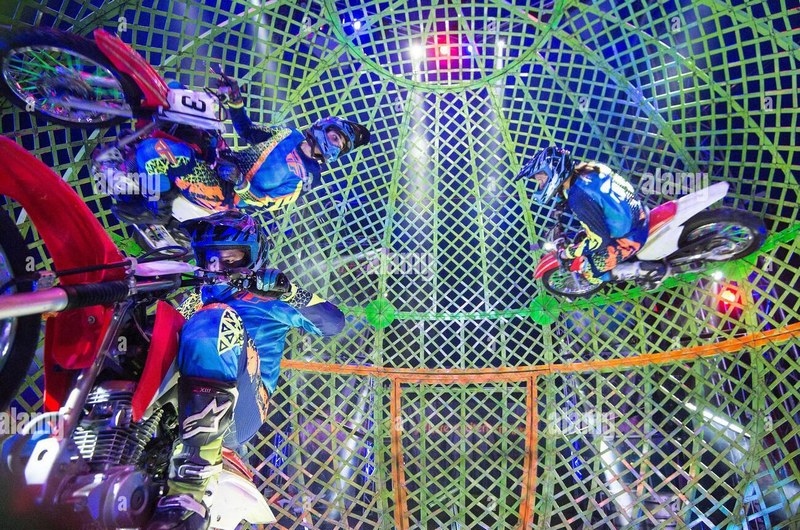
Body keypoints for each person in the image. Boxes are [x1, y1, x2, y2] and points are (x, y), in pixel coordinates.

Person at [147, 210, 345, 530]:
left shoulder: (265, 298)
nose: (221, 267)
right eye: (212, 259)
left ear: (254, 258)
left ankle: (189, 488)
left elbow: (334, 323)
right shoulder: (191, 294)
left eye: (232, 258)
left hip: (241, 410)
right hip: (176, 401)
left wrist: (290, 292)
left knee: (216, 319)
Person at [211, 72, 370, 211]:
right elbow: (248, 131)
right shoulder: (289, 134)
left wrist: (240, 181)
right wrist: (235, 100)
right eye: (335, 138)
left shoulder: (311, 177)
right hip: (222, 159)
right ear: (324, 127)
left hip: (225, 195)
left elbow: (267, 202)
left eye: (339, 147)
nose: (334, 148)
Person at [518, 146, 667, 287]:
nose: (541, 185)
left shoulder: (578, 199)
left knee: (590, 271)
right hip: (638, 213)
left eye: (541, 180)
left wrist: (567, 253)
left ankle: (645, 270)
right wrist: (560, 205)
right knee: (584, 237)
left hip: (631, 236)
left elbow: (599, 240)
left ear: (553, 173)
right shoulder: (589, 170)